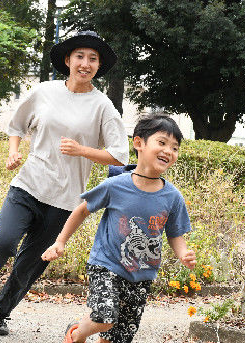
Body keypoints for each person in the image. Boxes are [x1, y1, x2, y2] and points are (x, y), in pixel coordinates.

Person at [0, 31, 129, 336]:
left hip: (64, 200)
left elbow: (119, 155)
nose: (85, 64)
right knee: (3, 242)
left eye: (93, 59)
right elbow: (17, 125)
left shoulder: (102, 106)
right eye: (80, 56)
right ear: (67, 60)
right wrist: (13, 151)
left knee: (30, 266)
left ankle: (0, 314)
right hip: (28, 184)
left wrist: (82, 150)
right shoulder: (45, 91)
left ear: (99, 66)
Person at [42, 115, 197, 343]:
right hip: (106, 264)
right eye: (162, 143)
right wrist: (60, 242)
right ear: (138, 143)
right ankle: (77, 333)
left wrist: (183, 253)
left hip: (142, 274)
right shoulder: (116, 185)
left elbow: (175, 233)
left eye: (175, 147)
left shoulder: (172, 197)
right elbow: (82, 211)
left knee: (118, 336)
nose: (169, 151)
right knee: (104, 318)